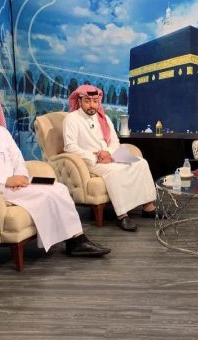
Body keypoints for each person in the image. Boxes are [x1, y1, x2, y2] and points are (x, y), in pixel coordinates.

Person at [0, 83, 110, 257]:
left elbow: (17, 157)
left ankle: (76, 240)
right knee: (45, 193)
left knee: (58, 187)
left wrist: (21, 175)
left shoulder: (0, 130)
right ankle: (76, 242)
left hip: (14, 183)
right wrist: (6, 181)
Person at [63, 85, 156, 232]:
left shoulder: (104, 118)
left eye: (95, 101)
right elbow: (70, 147)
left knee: (141, 163)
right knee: (114, 172)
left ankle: (148, 207)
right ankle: (122, 215)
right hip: (89, 161)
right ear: (79, 101)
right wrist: (95, 156)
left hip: (109, 156)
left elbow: (115, 142)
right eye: (87, 101)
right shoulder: (72, 119)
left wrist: (108, 154)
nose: (92, 105)